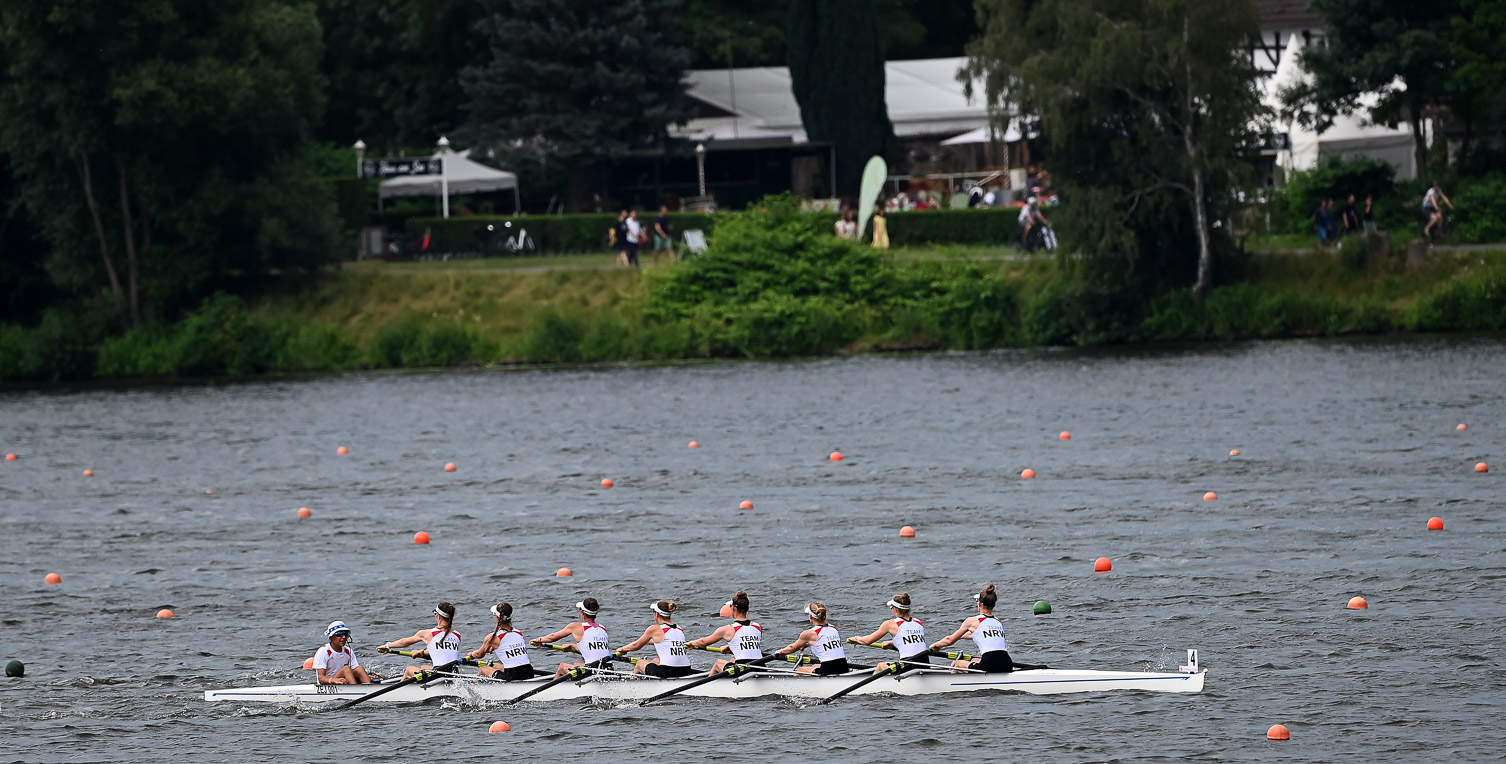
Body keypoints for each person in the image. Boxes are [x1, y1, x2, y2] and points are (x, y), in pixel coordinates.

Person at [928, 584, 1014, 674]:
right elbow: (977, 635)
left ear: (979, 604)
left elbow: (950, 641)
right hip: (1007, 663)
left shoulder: (972, 621)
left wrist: (936, 645)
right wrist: (960, 637)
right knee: (976, 660)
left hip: (989, 665)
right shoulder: (997, 621)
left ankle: (954, 685)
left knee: (956, 663)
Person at [848, 593, 928, 674]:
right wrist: (892, 643)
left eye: (891, 608)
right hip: (925, 664)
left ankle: (873, 686)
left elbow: (868, 640)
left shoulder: (890, 624)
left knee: (880, 666)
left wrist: (856, 639)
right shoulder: (918, 622)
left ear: (895, 609)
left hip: (908, 666)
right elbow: (912, 641)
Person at [378, 602, 462, 680]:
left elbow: (403, 643)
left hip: (439, 676)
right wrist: (421, 652)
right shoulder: (457, 635)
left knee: (409, 669)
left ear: (438, 616)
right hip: (454, 674)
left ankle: (400, 693)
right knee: (424, 667)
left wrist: (387, 646)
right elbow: (443, 651)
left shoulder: (428, 633)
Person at [534, 598, 613, 677]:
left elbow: (553, 637)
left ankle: (554, 689)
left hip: (593, 671)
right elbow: (594, 649)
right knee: (577, 664)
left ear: (582, 612)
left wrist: (539, 640)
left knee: (562, 667)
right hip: (608, 669)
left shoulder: (576, 627)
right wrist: (573, 646)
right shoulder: (602, 628)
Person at [687, 591, 761, 675]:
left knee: (718, 663)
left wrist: (691, 643)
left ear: (733, 608)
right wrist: (731, 646)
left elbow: (703, 643)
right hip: (761, 666)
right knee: (733, 660)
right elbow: (748, 643)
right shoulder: (757, 627)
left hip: (743, 670)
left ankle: (706, 687)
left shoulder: (727, 629)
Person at [616, 600, 695, 678]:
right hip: (686, 670)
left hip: (668, 671)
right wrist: (645, 641)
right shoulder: (679, 628)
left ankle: (633, 685)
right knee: (656, 661)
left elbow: (636, 646)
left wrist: (622, 649)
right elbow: (662, 641)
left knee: (640, 663)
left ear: (656, 614)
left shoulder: (655, 629)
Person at [773, 602, 850, 676]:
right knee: (815, 665)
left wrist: (781, 652)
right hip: (844, 667)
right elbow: (820, 642)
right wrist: (805, 644)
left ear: (810, 617)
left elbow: (793, 648)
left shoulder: (809, 633)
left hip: (829, 669)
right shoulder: (833, 628)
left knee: (800, 670)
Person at [468, 602, 535, 681]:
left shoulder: (493, 637)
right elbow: (507, 645)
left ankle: (480, 689)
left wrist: (472, 654)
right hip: (529, 671)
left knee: (483, 669)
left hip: (512, 676)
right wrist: (491, 648)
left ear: (497, 618)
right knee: (496, 667)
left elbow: (479, 654)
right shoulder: (518, 633)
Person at [312, 620, 375, 685]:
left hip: (344, 680)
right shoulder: (323, 652)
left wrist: (366, 676)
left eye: (345, 634)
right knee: (346, 669)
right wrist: (333, 680)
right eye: (340, 634)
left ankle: (370, 687)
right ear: (331, 637)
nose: (344, 637)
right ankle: (356, 691)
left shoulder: (348, 651)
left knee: (359, 668)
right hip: (329, 684)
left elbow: (356, 671)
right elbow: (321, 678)